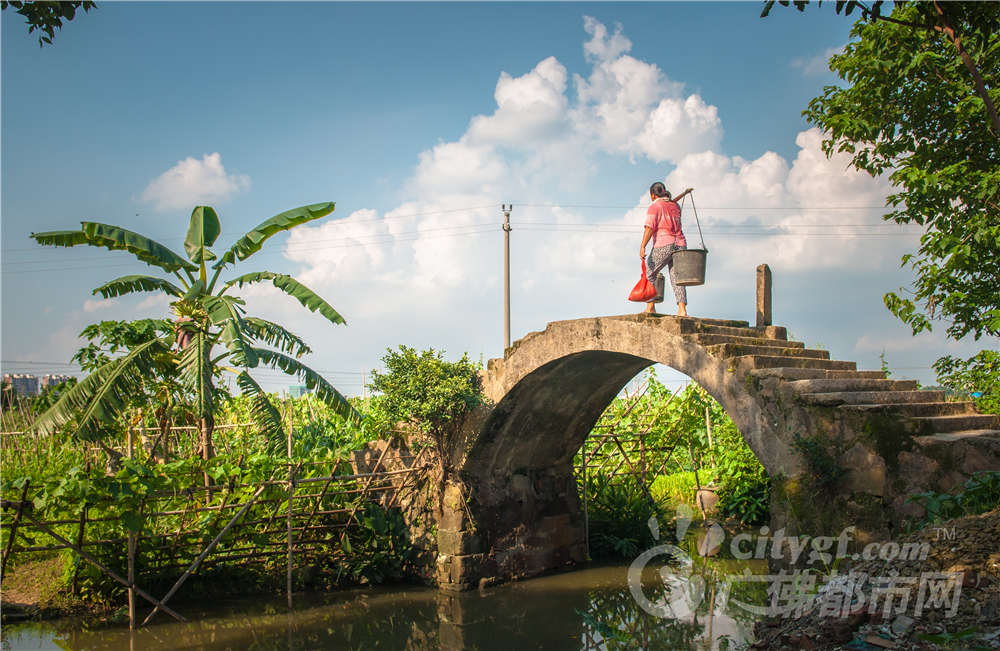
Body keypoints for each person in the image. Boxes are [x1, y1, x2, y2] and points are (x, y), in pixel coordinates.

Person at [639, 182, 693, 316]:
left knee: (650, 271)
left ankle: (650, 306)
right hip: (680, 243)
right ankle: (682, 310)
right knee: (677, 276)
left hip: (664, 242)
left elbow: (649, 228)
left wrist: (643, 246)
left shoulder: (654, 206)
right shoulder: (675, 206)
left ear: (653, 195)